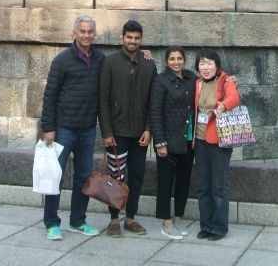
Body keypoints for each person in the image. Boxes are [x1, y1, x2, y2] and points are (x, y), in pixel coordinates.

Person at [40, 15, 103, 240]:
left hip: (87, 128)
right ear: (74, 33)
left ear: (95, 34)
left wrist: (144, 56)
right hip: (64, 128)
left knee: (83, 177)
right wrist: (48, 127)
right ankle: (51, 222)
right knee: (55, 176)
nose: (86, 35)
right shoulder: (62, 60)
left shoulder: (100, 59)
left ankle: (78, 220)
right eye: (82, 31)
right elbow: (50, 96)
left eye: (90, 31)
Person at [98, 19, 157, 236]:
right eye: (129, 37)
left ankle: (130, 218)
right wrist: (106, 132)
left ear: (141, 40)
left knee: (137, 175)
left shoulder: (149, 63)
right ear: (122, 38)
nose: (133, 41)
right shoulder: (110, 62)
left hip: (140, 133)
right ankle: (114, 219)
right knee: (115, 177)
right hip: (117, 133)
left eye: (136, 38)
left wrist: (149, 129)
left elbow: (153, 100)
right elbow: (102, 99)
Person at [149, 45, 196, 239]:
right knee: (165, 182)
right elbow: (155, 112)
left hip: (188, 138)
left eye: (179, 58)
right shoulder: (161, 81)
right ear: (167, 61)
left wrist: (229, 79)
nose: (176, 62)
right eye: (172, 59)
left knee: (183, 181)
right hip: (167, 140)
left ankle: (178, 217)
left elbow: (213, 79)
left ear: (184, 60)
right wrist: (159, 142)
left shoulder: (192, 78)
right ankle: (165, 220)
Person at [193, 47, 240, 240]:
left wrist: (223, 105)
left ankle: (220, 227)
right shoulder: (197, 83)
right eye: (202, 63)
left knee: (219, 186)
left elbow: (234, 97)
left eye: (209, 63)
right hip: (200, 141)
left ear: (216, 65)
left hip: (219, 142)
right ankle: (206, 225)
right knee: (203, 186)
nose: (205, 67)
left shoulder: (225, 81)